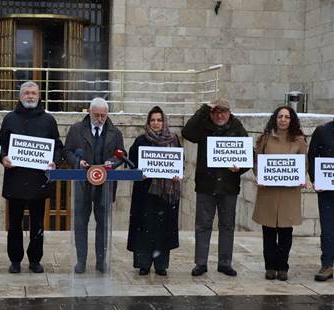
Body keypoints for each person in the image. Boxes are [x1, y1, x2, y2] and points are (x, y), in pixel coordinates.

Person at [0, 81, 63, 274]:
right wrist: (3, 158)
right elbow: (0, 144)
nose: (30, 96)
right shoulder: (9, 119)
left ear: (39, 96)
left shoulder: (49, 120)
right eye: (26, 93)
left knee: (37, 225)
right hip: (15, 179)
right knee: (15, 224)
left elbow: (57, 146)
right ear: (20, 96)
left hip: (38, 181)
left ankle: (35, 259)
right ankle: (15, 260)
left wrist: (55, 162)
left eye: (34, 93)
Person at [181, 98, 249, 277]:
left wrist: (239, 167)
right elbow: (187, 132)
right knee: (203, 225)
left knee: (227, 225)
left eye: (223, 112)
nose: (220, 116)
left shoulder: (238, 129)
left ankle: (225, 263)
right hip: (206, 184)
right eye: (216, 112)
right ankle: (200, 263)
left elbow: (248, 155)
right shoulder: (203, 127)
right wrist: (204, 109)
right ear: (211, 113)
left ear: (229, 113)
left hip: (229, 186)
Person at [63, 97, 124, 273]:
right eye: (96, 115)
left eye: (103, 116)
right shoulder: (76, 130)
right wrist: (77, 161)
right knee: (80, 224)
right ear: (89, 113)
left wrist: (111, 163)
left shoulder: (115, 132)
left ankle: (101, 261)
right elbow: (67, 152)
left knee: (103, 225)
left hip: (104, 186)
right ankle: (81, 261)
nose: (99, 119)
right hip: (82, 185)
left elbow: (120, 154)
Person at [253, 106, 307, 281]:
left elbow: (303, 164)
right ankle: (270, 267)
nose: (283, 120)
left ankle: (283, 267)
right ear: (275, 119)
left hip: (289, 193)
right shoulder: (265, 139)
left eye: (287, 117)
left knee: (285, 232)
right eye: (280, 116)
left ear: (292, 120)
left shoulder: (299, 140)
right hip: (268, 193)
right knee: (268, 232)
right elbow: (257, 162)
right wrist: (259, 175)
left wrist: (300, 177)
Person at [127, 106, 181, 276]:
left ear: (164, 122)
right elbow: (132, 164)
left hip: (166, 195)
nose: (156, 123)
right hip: (145, 192)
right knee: (145, 228)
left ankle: (161, 264)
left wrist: (176, 175)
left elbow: (180, 162)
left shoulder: (173, 140)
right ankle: (144, 263)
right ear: (148, 122)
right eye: (153, 120)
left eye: (159, 120)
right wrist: (138, 173)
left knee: (163, 229)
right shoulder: (141, 141)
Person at [308, 118, 334, 282]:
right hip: (327, 191)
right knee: (328, 229)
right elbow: (312, 156)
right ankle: (327, 264)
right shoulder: (322, 131)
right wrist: (315, 179)